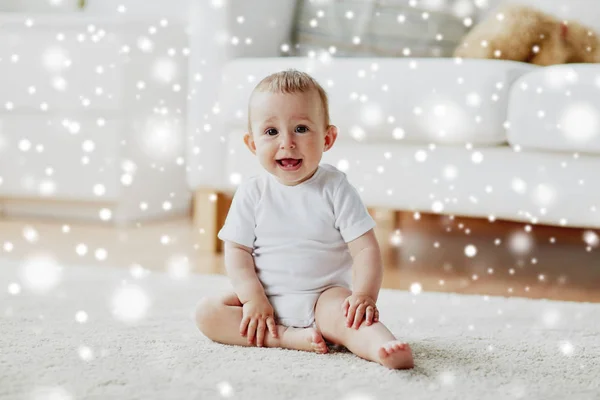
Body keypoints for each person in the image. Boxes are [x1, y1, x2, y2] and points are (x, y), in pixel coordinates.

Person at [194, 69, 414, 369]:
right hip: (265, 297)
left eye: (300, 129)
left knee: (349, 317)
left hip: (322, 298)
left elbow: (365, 249)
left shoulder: (335, 187)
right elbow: (237, 252)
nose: (287, 142)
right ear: (252, 144)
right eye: (271, 132)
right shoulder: (251, 192)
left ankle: (381, 346)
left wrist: (364, 295)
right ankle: (285, 337)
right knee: (209, 313)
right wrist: (252, 298)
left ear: (328, 137)